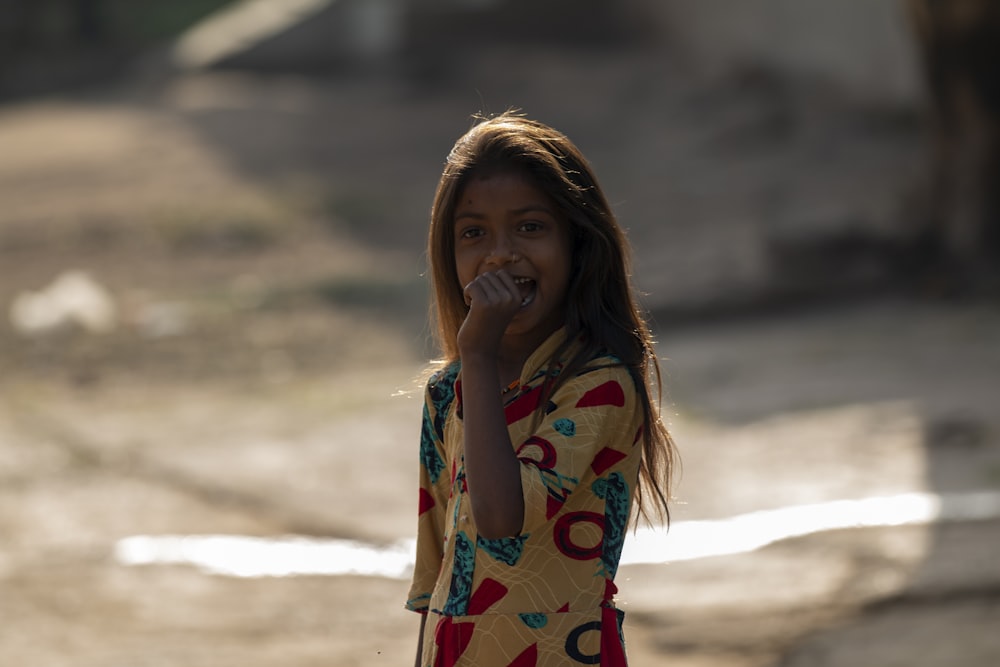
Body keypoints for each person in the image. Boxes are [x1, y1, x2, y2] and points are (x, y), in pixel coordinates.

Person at [407, 111, 677, 667]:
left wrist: (477, 354)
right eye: (474, 233)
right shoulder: (446, 395)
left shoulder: (600, 387)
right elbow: (435, 582)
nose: (501, 253)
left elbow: (503, 520)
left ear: (578, 245)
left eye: (530, 227)